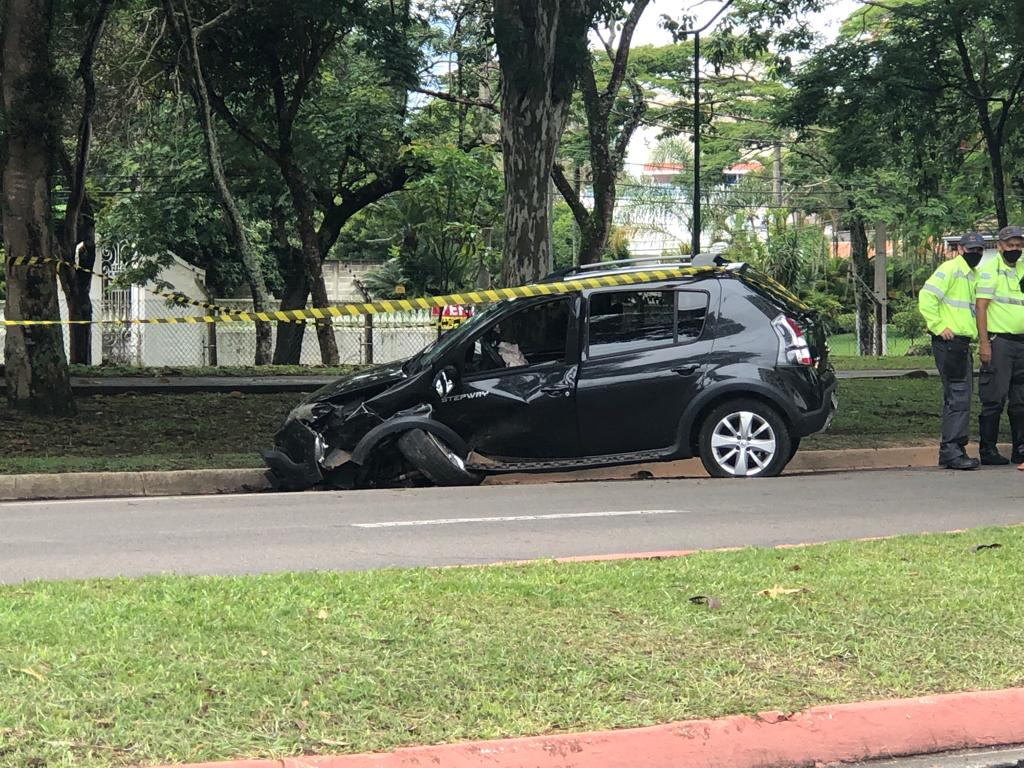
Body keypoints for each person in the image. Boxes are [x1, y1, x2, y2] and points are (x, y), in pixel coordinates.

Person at [919, 232, 985, 470]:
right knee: (958, 396)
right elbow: (926, 296)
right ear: (960, 249)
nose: (975, 254)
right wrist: (938, 326)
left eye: (979, 250)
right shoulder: (951, 269)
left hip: (959, 343)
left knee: (959, 396)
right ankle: (952, 451)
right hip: (950, 342)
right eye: (971, 249)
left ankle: (953, 449)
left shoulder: (971, 275)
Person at [976, 225, 1024, 464]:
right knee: (994, 397)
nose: (1014, 249)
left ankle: (1021, 449)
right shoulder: (989, 269)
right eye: (1010, 245)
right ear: (1000, 246)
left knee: (1021, 400)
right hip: (1000, 342)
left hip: (1022, 343)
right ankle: (988, 449)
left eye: (1018, 245)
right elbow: (981, 307)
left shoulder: (1023, 268)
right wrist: (984, 343)